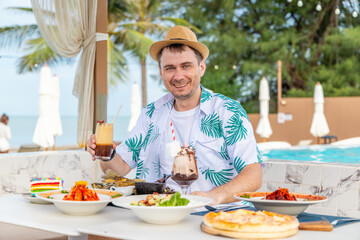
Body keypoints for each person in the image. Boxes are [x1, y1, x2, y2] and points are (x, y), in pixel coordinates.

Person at [87, 26, 262, 204]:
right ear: (161, 72)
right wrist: (107, 153)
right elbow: (119, 169)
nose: (178, 76)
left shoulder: (227, 111)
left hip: (218, 215)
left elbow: (254, 175)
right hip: (161, 216)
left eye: (186, 66)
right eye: (170, 68)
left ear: (201, 67)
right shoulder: (151, 114)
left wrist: (214, 196)